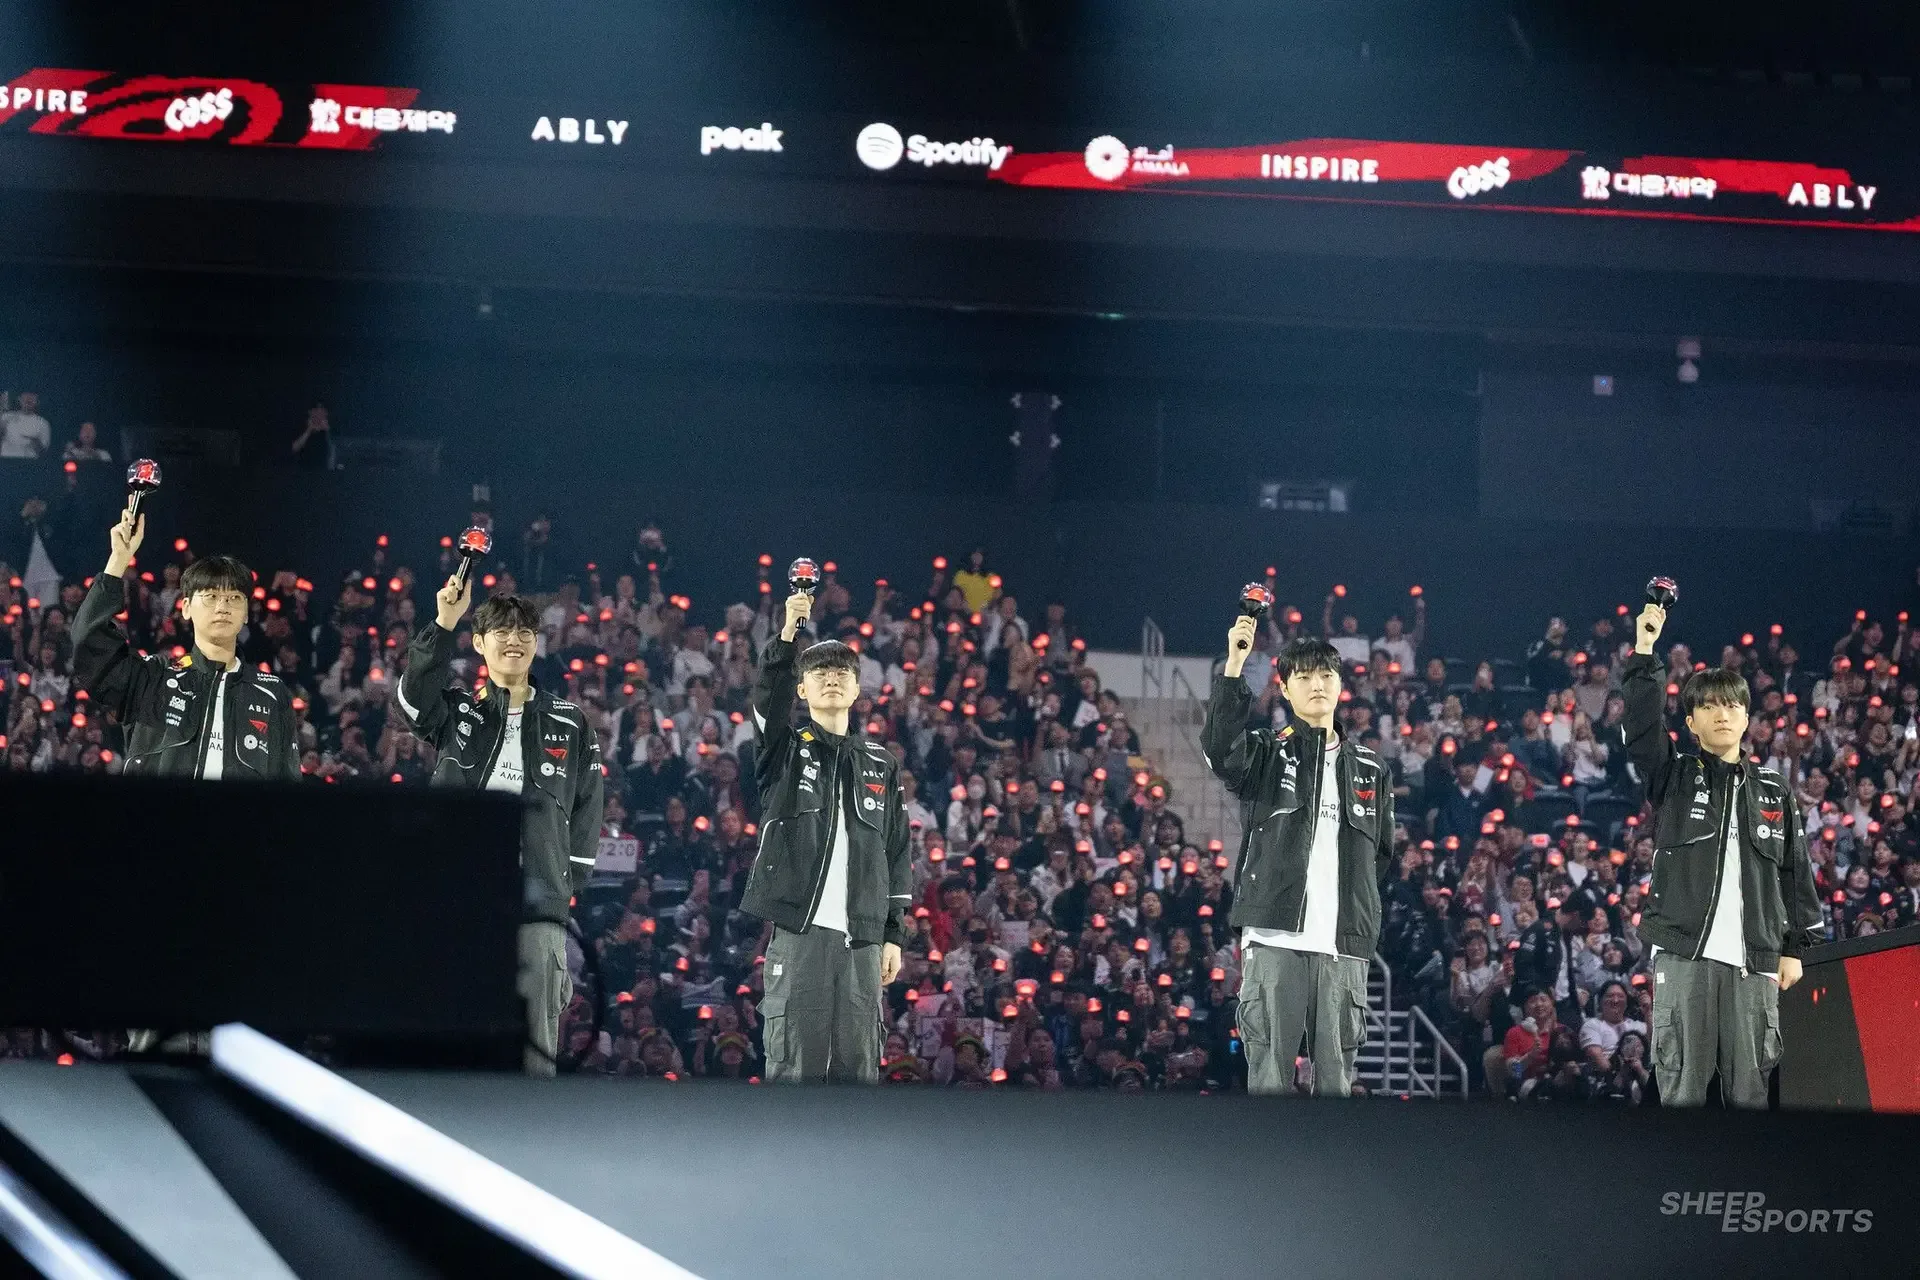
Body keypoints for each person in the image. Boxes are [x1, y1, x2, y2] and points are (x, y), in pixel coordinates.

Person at [396, 576, 604, 1076]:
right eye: (502, 631)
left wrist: (560, 885)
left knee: (535, 1051)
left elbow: (588, 810)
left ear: (537, 642)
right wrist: (444, 621)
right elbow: (412, 698)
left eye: (525, 631)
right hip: (458, 897)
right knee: (451, 1040)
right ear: (479, 643)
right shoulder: (456, 710)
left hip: (537, 906)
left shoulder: (571, 721)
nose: (515, 639)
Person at [1623, 598, 1822, 1107]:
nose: (1722, 714)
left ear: (1747, 717)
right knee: (1681, 1093)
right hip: (1684, 952)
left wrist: (1796, 947)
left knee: (1751, 1096)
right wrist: (1645, 650)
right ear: (1691, 721)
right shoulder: (1673, 775)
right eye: (1709, 706)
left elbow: (1795, 874)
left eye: (1732, 705)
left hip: (1756, 958)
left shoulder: (1775, 790)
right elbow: (1642, 731)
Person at [1202, 626, 1393, 1097]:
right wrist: (1234, 666)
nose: (1317, 685)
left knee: (1335, 1087)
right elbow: (1220, 751)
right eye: (1303, 677)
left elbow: (1380, 857)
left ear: (1341, 685)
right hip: (1274, 937)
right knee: (1269, 1081)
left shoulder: (1372, 769)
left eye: (1326, 675)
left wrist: (1356, 909)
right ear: (1285, 689)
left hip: (1343, 944)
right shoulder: (1267, 752)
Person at [740, 586, 910, 1084]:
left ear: (858, 691)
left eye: (842, 673)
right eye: (819, 672)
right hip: (801, 933)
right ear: (801, 690)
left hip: (863, 940)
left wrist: (893, 934)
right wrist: (787, 635)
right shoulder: (782, 751)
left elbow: (896, 851)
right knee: (795, 1068)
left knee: (859, 1072)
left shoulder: (881, 764)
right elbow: (767, 699)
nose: (832, 678)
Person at [71, 500, 300, 779]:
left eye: (234, 598)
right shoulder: (151, 678)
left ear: (245, 614)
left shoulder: (272, 693)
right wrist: (117, 561)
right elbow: (88, 643)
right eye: (211, 596)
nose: (223, 607)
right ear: (187, 608)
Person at [0, 391, 51, 458]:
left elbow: (43, 451)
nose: (28, 399)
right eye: (26, 397)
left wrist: (35, 442)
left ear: (37, 401)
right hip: (6, 459)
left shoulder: (43, 423)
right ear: (19, 399)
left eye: (32, 397)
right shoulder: (5, 417)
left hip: (28, 461)